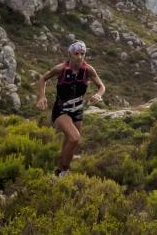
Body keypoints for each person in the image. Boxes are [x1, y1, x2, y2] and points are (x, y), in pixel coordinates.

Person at [36, 40, 105, 177]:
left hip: (78, 109)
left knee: (70, 142)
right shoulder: (60, 68)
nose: (79, 56)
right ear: (70, 54)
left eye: (82, 53)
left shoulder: (88, 70)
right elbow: (42, 79)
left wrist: (98, 95)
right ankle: (64, 170)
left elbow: (101, 86)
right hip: (61, 109)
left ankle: (59, 168)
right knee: (74, 138)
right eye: (76, 53)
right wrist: (42, 97)